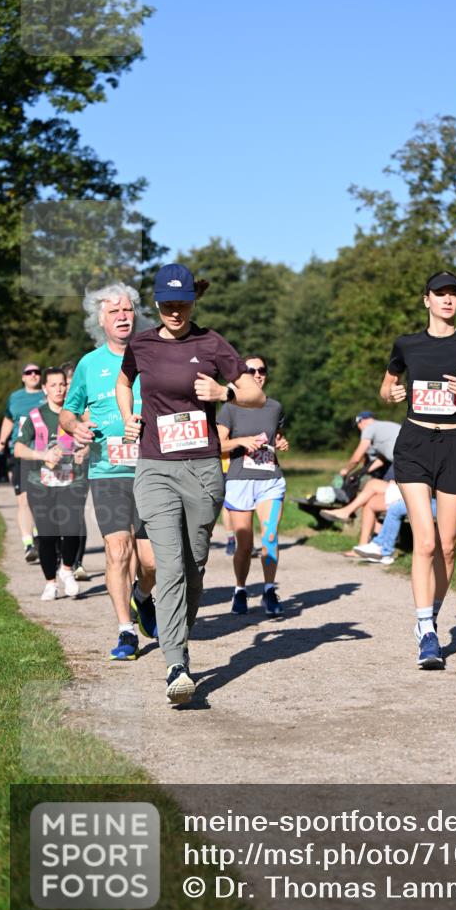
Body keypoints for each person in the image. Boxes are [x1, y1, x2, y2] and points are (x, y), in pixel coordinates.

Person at [117, 263, 264, 704]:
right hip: (155, 467)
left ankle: (174, 631)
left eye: (182, 303)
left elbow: (256, 394)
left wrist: (224, 394)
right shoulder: (141, 344)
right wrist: (128, 417)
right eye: (168, 305)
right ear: (156, 303)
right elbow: (124, 382)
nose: (175, 312)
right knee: (170, 564)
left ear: (193, 302)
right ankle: (176, 663)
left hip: (202, 468)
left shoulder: (211, 343)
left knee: (195, 567)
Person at [380, 270, 456, 669]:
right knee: (424, 542)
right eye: (439, 293)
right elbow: (387, 386)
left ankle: (431, 616)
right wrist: (391, 393)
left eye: (453, 294)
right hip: (415, 443)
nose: (447, 299)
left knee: (446, 546)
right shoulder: (406, 344)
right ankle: (426, 631)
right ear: (426, 299)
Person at [59, 283, 157, 661]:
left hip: (152, 468)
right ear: (100, 320)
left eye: (127, 309)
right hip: (108, 470)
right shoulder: (89, 364)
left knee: (152, 562)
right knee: (118, 550)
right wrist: (75, 427)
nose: (122, 316)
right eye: (113, 311)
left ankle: (142, 596)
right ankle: (125, 631)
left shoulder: (153, 355)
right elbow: (68, 412)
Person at [217, 354, 290, 616]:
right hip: (240, 481)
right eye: (251, 370)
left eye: (262, 370)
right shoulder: (230, 408)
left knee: (270, 536)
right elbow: (217, 445)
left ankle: (269, 590)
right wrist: (240, 441)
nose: (257, 374)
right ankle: (240, 589)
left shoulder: (275, 407)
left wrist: (281, 441)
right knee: (245, 544)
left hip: (270, 480)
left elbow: (276, 436)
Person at [14, 368, 88, 599]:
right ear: (45, 388)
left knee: (73, 530)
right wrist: (42, 455)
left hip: (71, 482)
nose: (59, 389)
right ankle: (51, 583)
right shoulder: (36, 416)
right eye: (53, 385)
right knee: (47, 536)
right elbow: (18, 448)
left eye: (62, 384)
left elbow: (91, 442)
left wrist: (83, 452)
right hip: (41, 484)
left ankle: (66, 569)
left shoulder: (76, 415)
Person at [0, 363, 45, 562]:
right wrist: (1, 440)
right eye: (29, 372)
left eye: (36, 372)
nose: (33, 375)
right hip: (20, 453)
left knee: (41, 500)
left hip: (43, 454)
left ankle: (41, 535)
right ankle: (28, 544)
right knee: (23, 500)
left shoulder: (47, 394)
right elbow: (8, 419)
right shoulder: (15, 398)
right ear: (23, 377)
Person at [61, 361, 89, 581]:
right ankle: (60, 556)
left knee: (76, 513)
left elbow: (96, 433)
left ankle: (77, 562)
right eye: (66, 383)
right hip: (56, 469)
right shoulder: (55, 408)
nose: (68, 387)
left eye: (72, 383)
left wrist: (85, 450)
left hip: (79, 467)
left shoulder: (85, 405)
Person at [354, 491, 437, 566]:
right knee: (395, 506)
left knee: (395, 509)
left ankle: (384, 551)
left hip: (437, 503)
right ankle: (380, 547)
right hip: (427, 499)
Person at [339, 412, 401, 481]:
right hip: (406, 458)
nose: (359, 428)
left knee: (387, 483)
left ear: (361, 421)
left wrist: (346, 470)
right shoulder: (388, 426)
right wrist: (361, 473)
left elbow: (356, 458)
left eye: (358, 425)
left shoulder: (369, 428)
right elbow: (381, 460)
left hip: (401, 459)